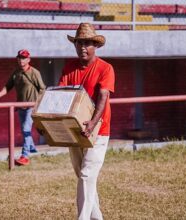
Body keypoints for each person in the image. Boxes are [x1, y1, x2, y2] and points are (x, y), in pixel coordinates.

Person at [58, 23, 115, 220]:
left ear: (95, 46)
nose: (83, 47)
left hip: (99, 130)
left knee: (86, 176)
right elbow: (61, 97)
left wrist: (92, 123)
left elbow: (103, 97)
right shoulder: (68, 68)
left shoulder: (105, 68)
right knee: (85, 178)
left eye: (87, 43)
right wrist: (48, 123)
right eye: (79, 43)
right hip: (74, 131)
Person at [0, 49, 46, 166]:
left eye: (23, 58)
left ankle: (25, 156)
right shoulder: (16, 73)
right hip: (20, 106)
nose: (21, 60)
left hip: (31, 106)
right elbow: (8, 87)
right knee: (24, 130)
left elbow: (42, 89)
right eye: (19, 58)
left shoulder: (34, 73)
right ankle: (32, 148)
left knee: (26, 129)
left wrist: (38, 104)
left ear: (28, 59)